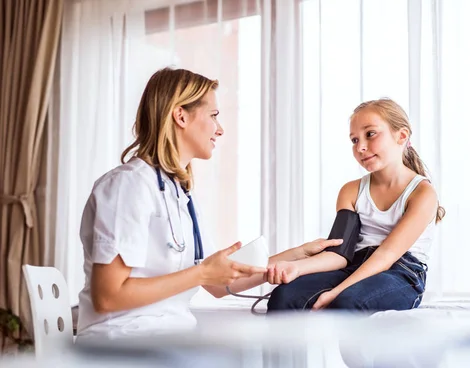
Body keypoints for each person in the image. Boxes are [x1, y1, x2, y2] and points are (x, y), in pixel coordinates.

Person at [76, 67, 342, 339]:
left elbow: (217, 284)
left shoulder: (180, 194)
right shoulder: (128, 186)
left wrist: (297, 255)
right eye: (214, 116)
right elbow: (108, 297)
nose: (220, 129)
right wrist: (202, 273)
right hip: (120, 341)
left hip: (165, 340)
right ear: (180, 116)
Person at [266, 98, 445, 312]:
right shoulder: (351, 191)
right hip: (355, 265)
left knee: (348, 302)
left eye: (370, 134)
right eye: (354, 140)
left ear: (402, 136)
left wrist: (335, 292)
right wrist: (296, 268)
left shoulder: (422, 193)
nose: (360, 147)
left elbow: (387, 255)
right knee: (284, 295)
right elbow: (340, 254)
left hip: (401, 271)